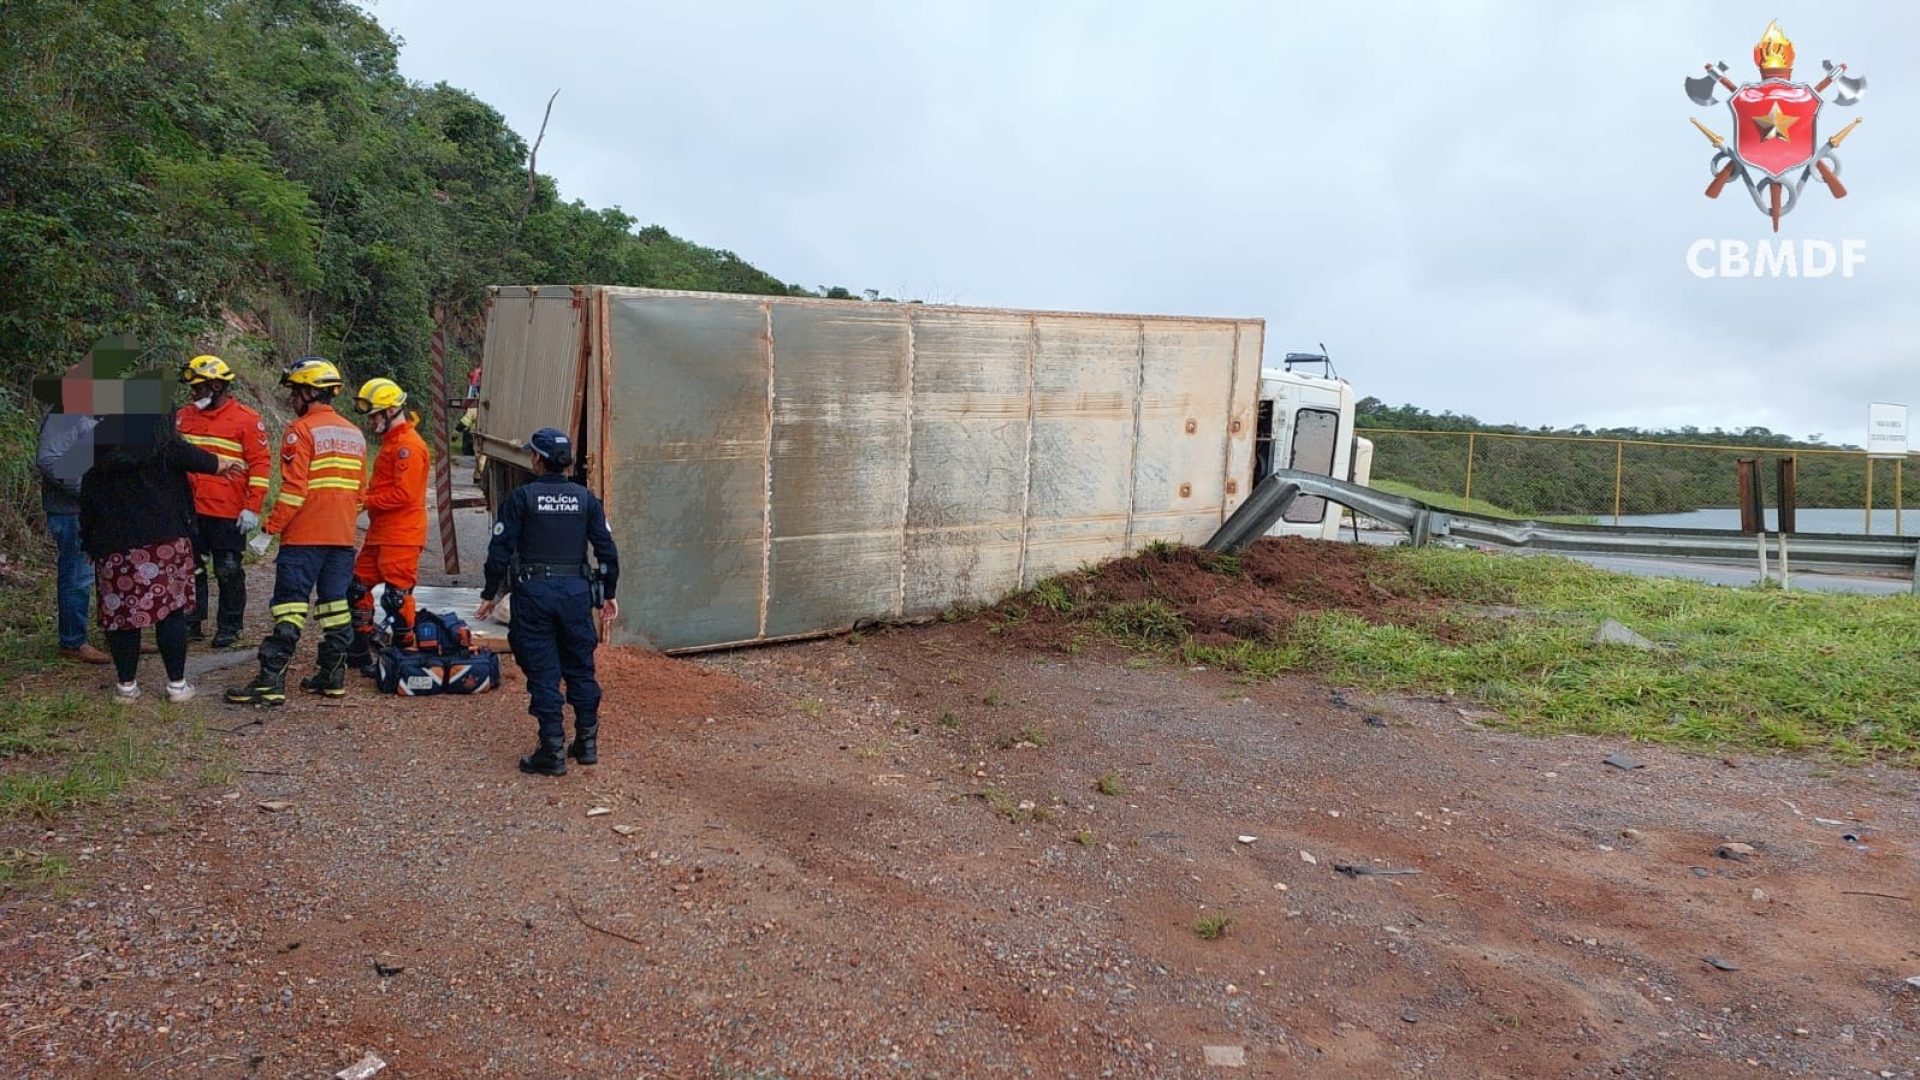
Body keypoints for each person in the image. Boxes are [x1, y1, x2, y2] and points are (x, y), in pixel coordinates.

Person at [79, 371, 246, 702]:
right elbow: (206, 461)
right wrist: (226, 463)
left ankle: (126, 687)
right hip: (165, 546)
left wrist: (90, 541)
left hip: (115, 547)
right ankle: (177, 685)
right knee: (169, 613)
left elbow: (88, 501)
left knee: (123, 617)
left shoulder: (99, 450)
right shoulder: (166, 448)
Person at [473, 428, 619, 776]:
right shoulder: (587, 500)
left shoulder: (521, 499)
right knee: (580, 667)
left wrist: (490, 593)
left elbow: (499, 551)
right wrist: (608, 592)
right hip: (575, 594)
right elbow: (608, 551)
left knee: (543, 670)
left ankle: (551, 750)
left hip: (534, 593)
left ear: (537, 458)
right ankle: (586, 744)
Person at [226, 358, 367, 706]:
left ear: (309, 391)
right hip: (342, 538)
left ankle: (270, 681)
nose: (291, 399)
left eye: (294, 391)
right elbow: (361, 495)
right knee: (335, 607)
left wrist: (269, 530)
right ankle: (332, 676)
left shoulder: (299, 430)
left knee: (289, 607)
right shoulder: (354, 433)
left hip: (304, 537)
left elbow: (293, 491)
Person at [175, 355, 271, 647]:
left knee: (227, 568)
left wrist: (252, 507)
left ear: (217, 385)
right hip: (188, 508)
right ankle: (191, 621)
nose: (193, 394)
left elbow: (260, 467)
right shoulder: (183, 417)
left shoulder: (247, 420)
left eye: (199, 388)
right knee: (189, 566)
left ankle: (230, 625)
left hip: (227, 510)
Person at [345, 378, 428, 674]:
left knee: (397, 596)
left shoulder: (408, 446)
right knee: (356, 587)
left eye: (375, 415)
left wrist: (367, 500)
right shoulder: (393, 443)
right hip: (382, 533)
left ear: (391, 411)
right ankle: (359, 649)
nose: (370, 422)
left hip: (401, 535)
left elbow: (404, 494)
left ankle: (405, 656)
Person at [36, 410, 108, 664]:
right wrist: (88, 491)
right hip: (72, 512)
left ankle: (117, 632)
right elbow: (49, 460)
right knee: (78, 575)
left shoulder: (95, 417)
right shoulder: (64, 416)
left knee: (107, 572)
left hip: (95, 511)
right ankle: (72, 641)